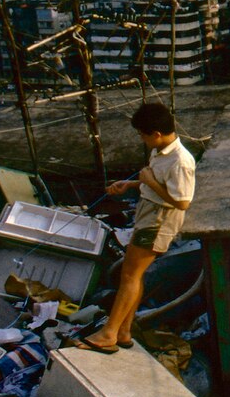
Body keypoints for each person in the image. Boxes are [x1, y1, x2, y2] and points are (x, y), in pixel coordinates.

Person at [73, 102, 196, 354]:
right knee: (134, 275)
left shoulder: (180, 160)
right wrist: (130, 185)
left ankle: (109, 333)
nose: (141, 139)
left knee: (128, 275)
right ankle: (124, 331)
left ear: (156, 134)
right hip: (149, 214)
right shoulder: (161, 151)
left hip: (159, 220)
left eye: (142, 134)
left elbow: (182, 201)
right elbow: (155, 182)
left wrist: (149, 180)